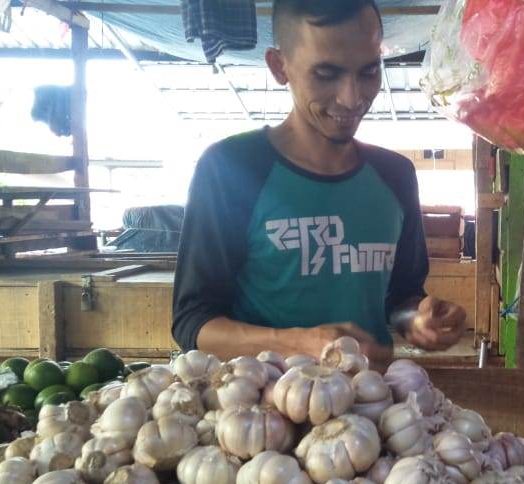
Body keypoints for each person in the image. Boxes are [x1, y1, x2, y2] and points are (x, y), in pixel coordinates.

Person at [172, 0, 468, 366]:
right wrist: (294, 343)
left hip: (372, 412)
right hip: (259, 410)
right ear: (279, 67)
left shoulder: (396, 176)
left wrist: (418, 319)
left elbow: (400, 298)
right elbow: (192, 323)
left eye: (369, 71)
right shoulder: (231, 168)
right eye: (326, 74)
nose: (352, 97)